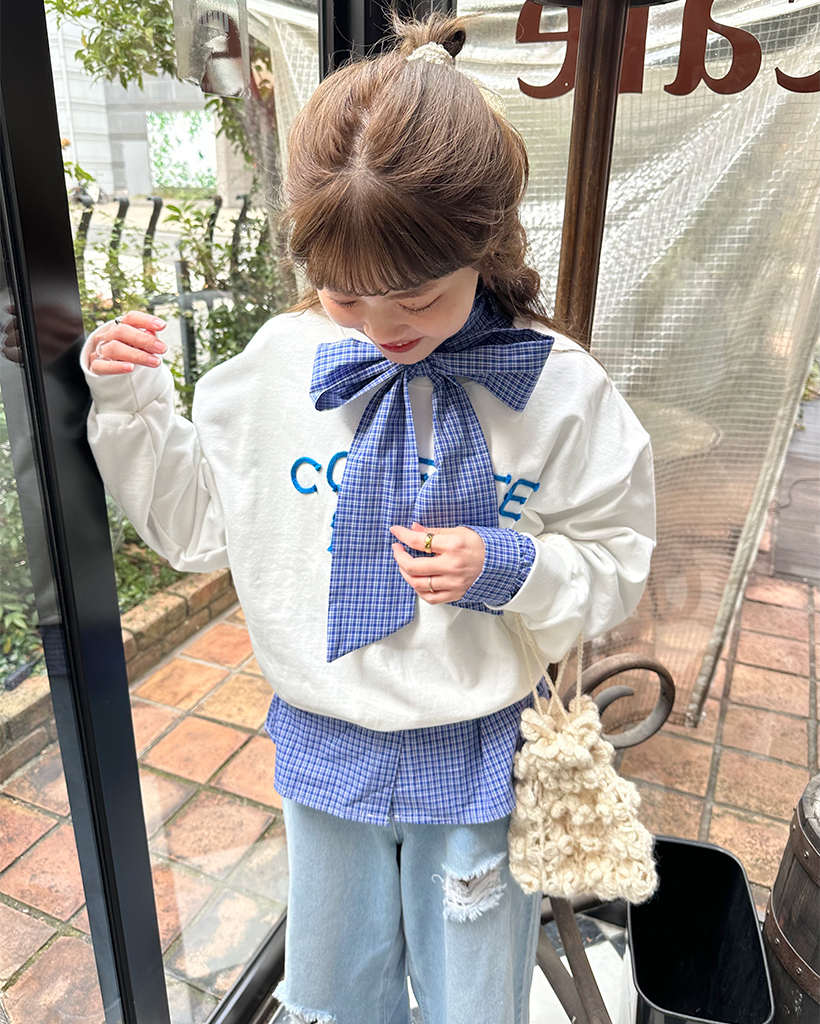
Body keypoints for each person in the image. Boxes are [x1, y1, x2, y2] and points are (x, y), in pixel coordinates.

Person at [81, 13, 655, 1024]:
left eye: (417, 298)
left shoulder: (559, 392)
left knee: (474, 1002)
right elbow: (200, 529)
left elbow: (616, 559)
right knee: (339, 998)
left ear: (481, 244)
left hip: (478, 753)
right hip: (324, 746)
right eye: (343, 296)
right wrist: (131, 406)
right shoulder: (278, 367)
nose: (383, 327)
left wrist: (510, 566)